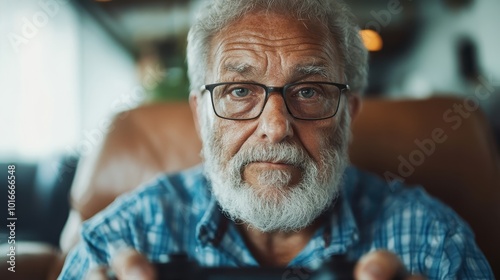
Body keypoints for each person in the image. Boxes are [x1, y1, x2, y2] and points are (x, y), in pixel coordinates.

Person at [58, 0, 494, 279]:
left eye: (308, 91)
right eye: (240, 91)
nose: (275, 126)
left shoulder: (433, 243)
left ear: (349, 115)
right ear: (200, 115)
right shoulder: (117, 242)